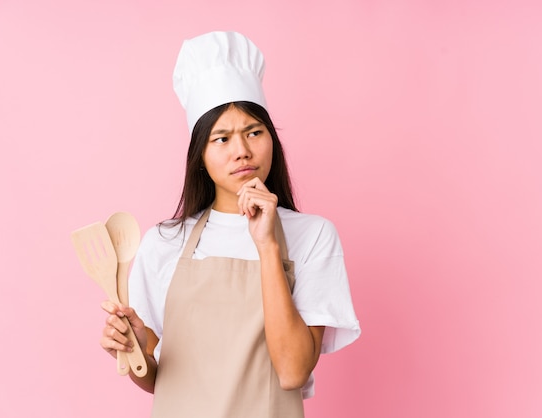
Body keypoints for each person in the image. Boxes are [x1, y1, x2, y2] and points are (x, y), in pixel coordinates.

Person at [100, 31, 360, 418]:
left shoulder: (312, 236)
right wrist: (134, 348)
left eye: (254, 132)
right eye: (221, 139)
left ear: (271, 138)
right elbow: (158, 379)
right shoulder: (165, 242)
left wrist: (267, 245)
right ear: (200, 155)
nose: (242, 150)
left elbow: (292, 371)